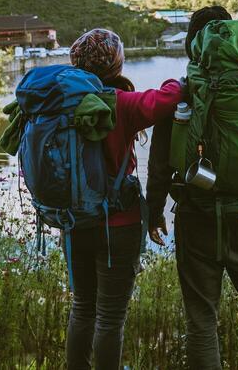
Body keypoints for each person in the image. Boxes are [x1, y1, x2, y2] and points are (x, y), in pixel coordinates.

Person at [146, 6, 238, 370]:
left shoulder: (183, 92)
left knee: (202, 321)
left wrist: (153, 213)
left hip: (197, 215)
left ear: (194, 45)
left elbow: (160, 163)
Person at [60, 27, 180, 370]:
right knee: (110, 318)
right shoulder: (121, 103)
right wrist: (177, 79)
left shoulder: (60, 103)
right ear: (116, 64)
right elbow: (169, 97)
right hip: (117, 225)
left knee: (82, 307)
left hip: (73, 221)